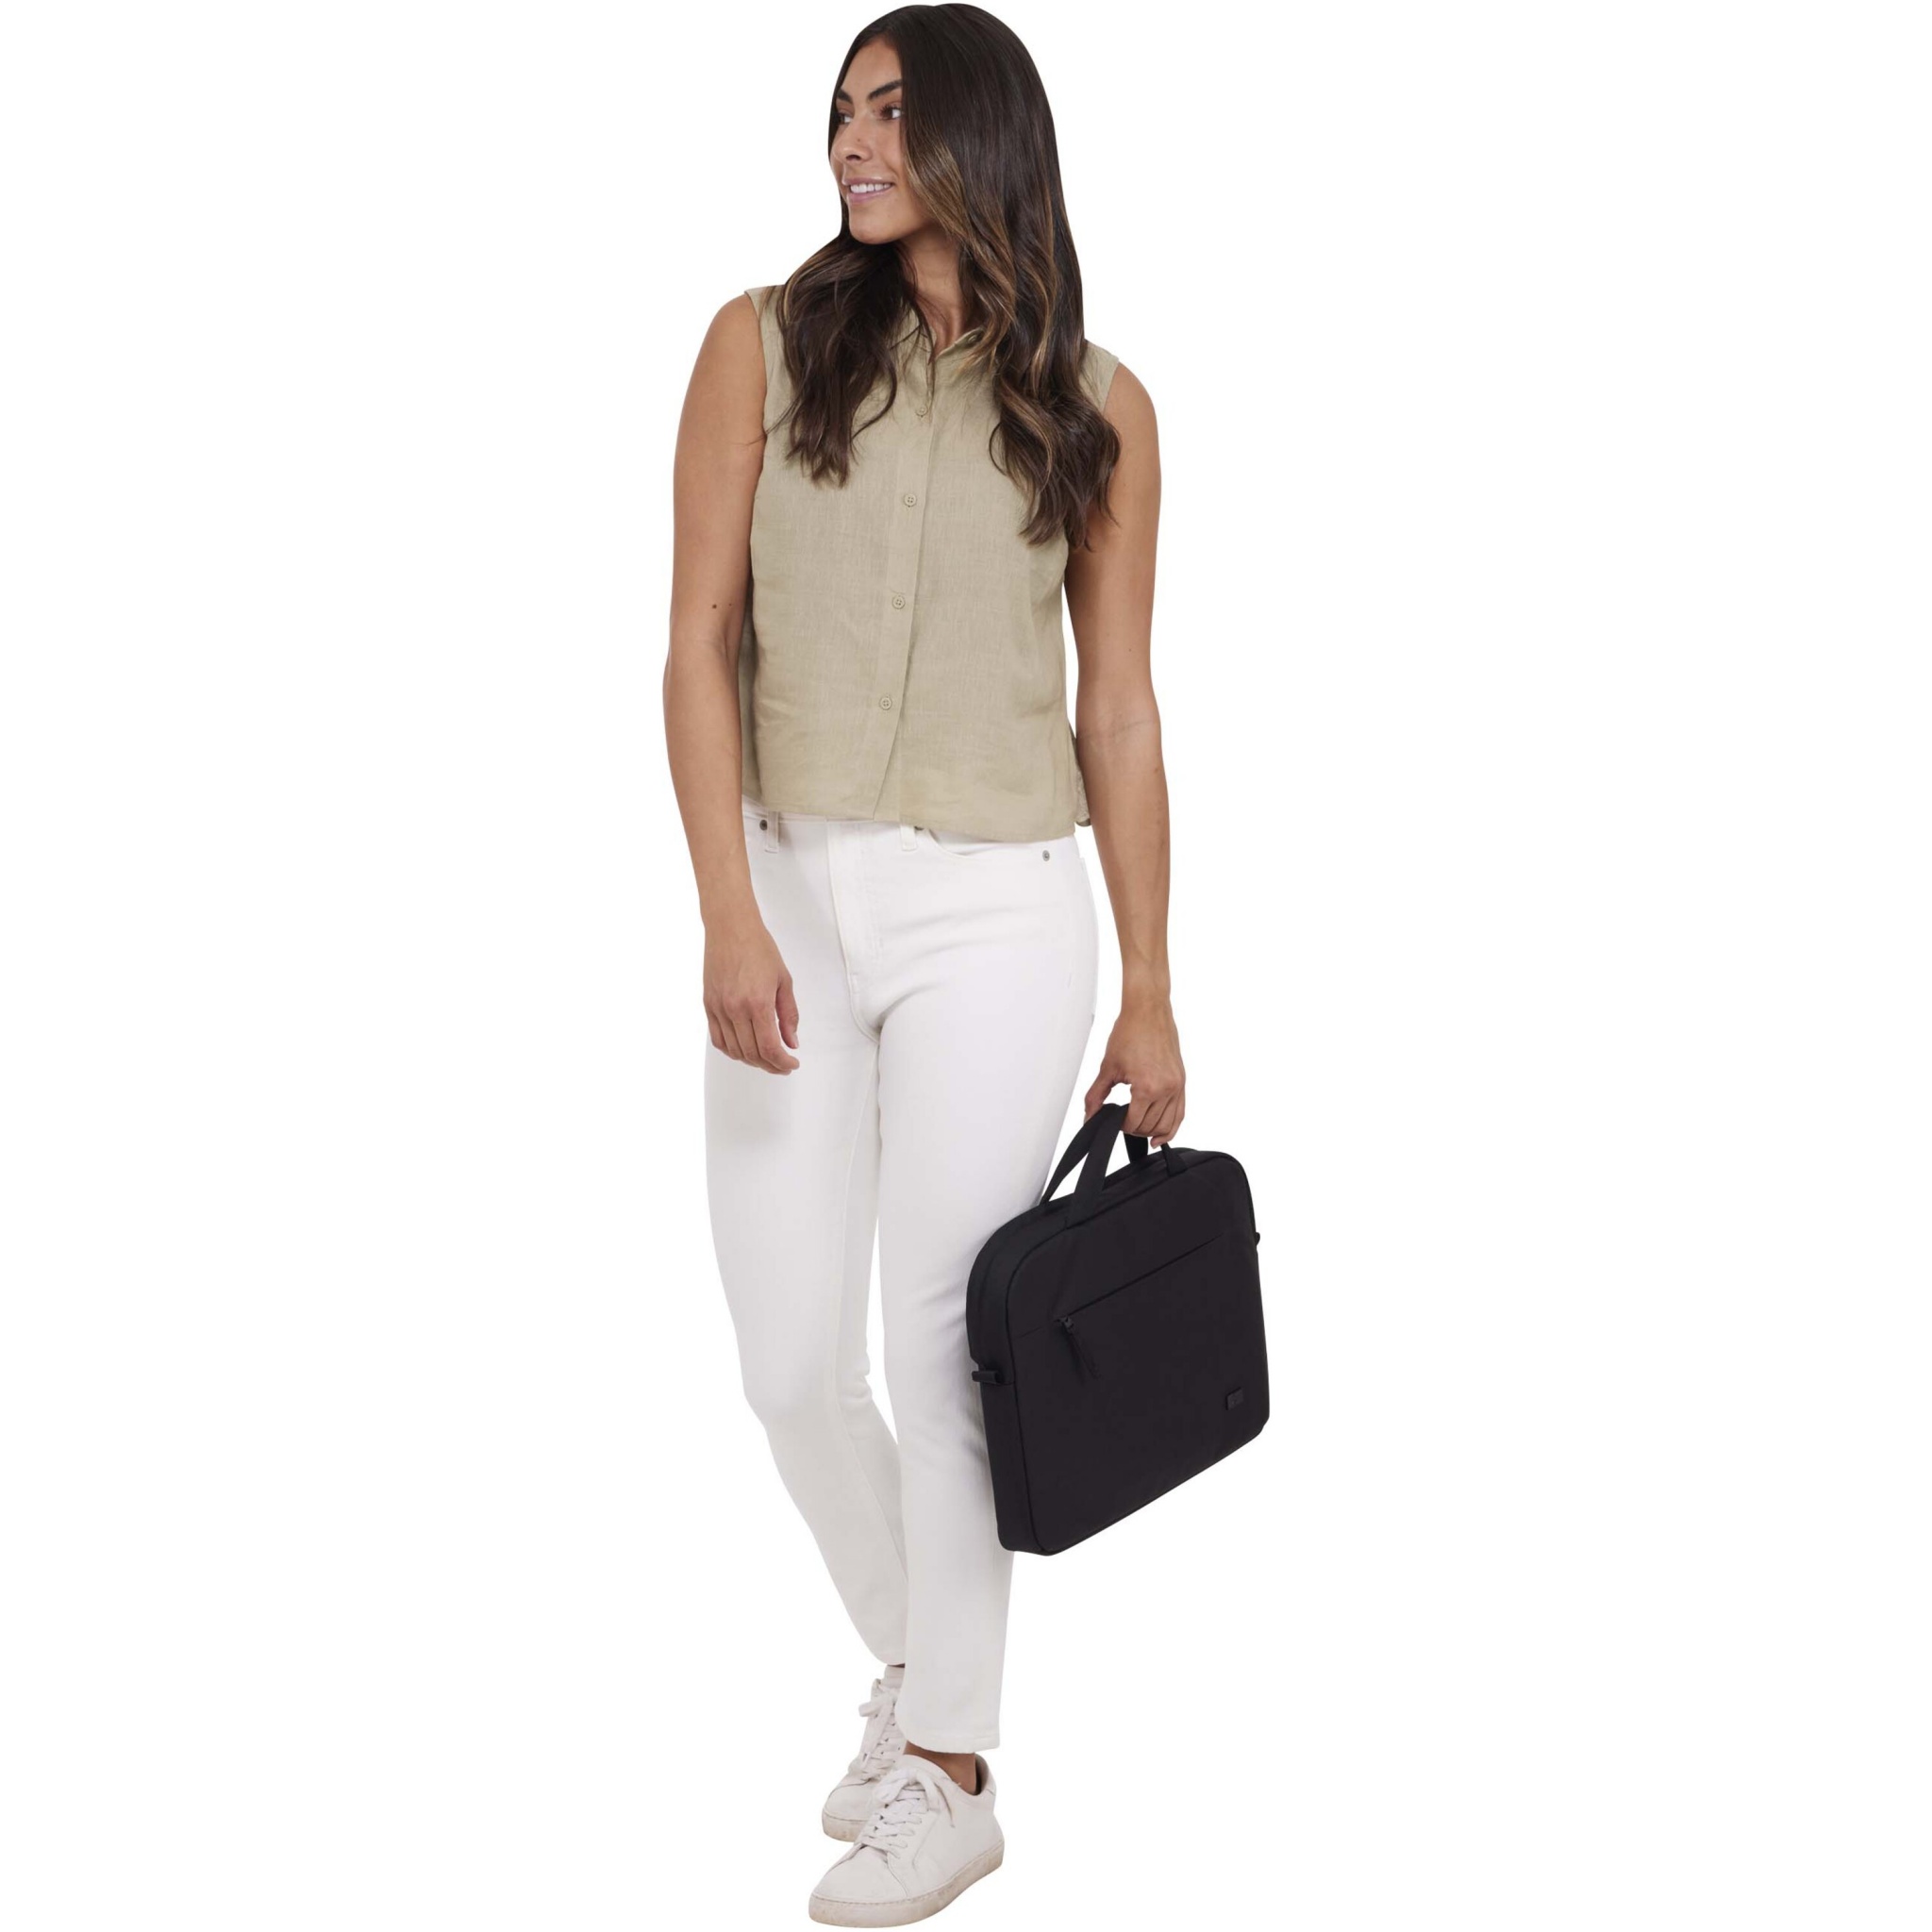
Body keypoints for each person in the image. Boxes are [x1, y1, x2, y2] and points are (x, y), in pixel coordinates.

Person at [664, 6, 1181, 1922]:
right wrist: (727, 906)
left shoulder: (1100, 405)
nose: (851, 143)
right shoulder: (759, 343)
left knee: (942, 1341)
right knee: (787, 1361)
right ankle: (920, 1663)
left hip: (1000, 906)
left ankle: (951, 1772)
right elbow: (694, 642)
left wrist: (1150, 986)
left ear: (981, 131)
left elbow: (1117, 711)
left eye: (890, 110)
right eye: (841, 112)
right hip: (790, 888)